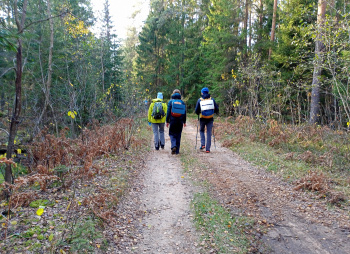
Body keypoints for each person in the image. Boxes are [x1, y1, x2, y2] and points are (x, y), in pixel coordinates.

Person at [195, 87, 219, 153]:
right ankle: (208, 149)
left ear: (202, 93)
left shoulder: (199, 100)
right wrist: (213, 112)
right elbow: (217, 109)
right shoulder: (212, 99)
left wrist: (199, 113)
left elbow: (196, 110)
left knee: (201, 130)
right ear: (208, 92)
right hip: (210, 118)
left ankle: (203, 144)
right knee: (209, 133)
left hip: (202, 118)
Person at [166, 89, 186, 155]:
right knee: (178, 134)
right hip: (180, 121)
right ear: (180, 94)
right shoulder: (182, 102)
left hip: (172, 120)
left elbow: (168, 112)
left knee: (172, 134)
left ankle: (173, 145)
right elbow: (184, 112)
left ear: (173, 94)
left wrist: (167, 121)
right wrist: (184, 121)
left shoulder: (170, 102)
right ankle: (177, 151)